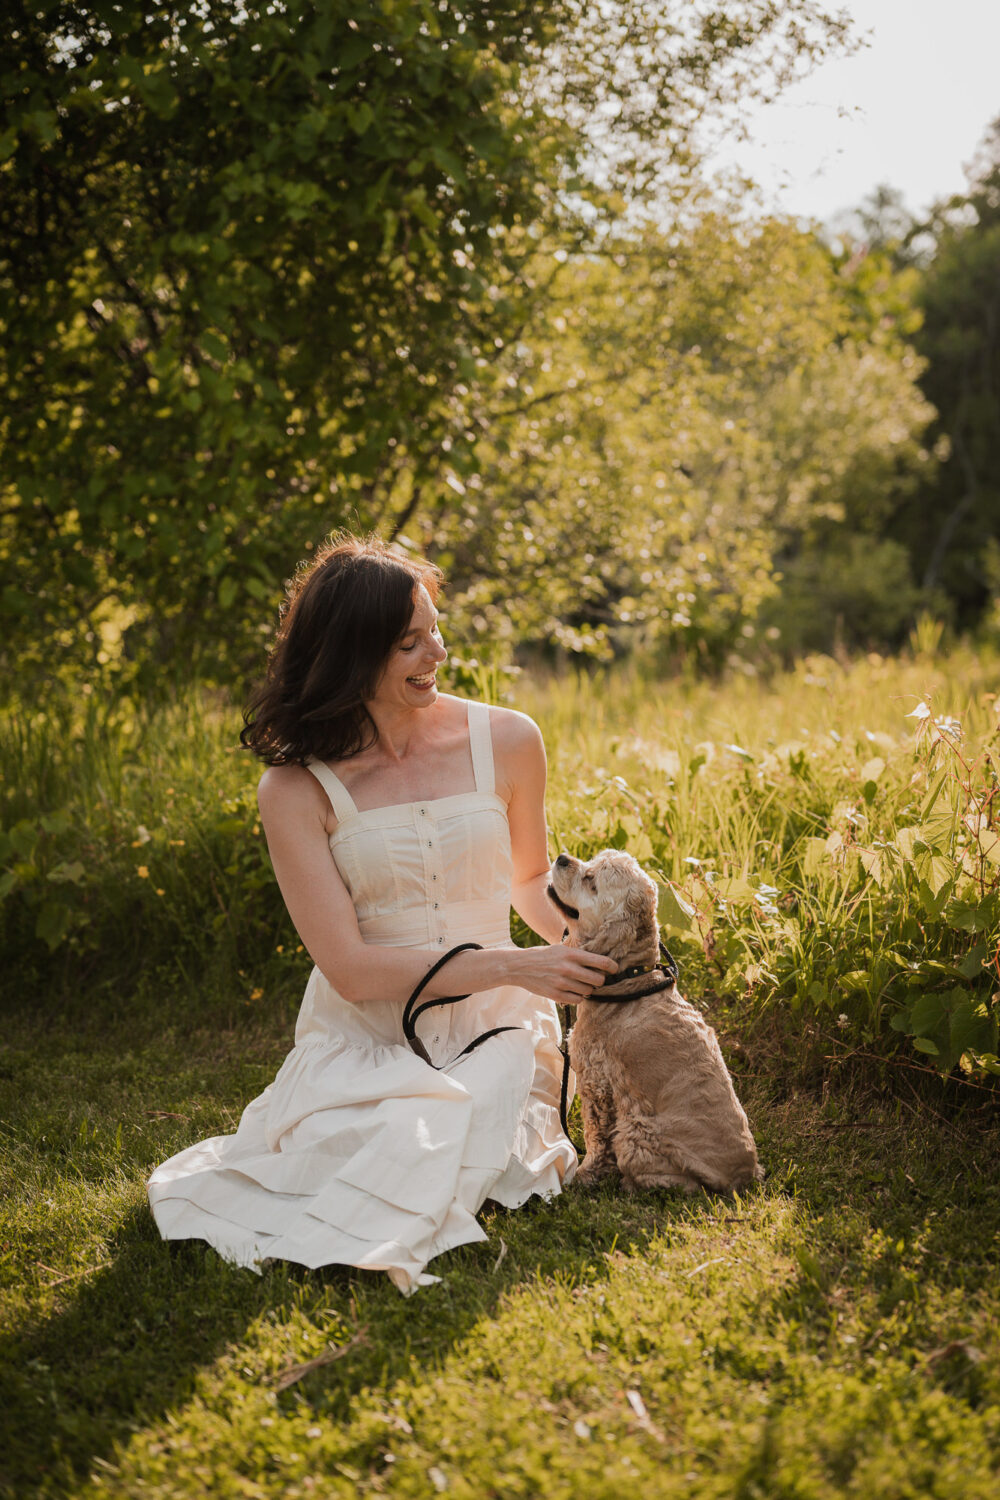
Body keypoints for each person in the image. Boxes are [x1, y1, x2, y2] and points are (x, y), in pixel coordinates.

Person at [147, 534, 617, 1292]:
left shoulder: (507, 739)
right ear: (351, 654)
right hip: (364, 1030)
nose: (437, 651)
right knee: (380, 1139)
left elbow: (529, 877)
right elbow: (351, 969)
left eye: (435, 627)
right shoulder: (295, 789)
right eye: (410, 642)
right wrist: (519, 965)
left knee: (445, 1130)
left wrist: (582, 951)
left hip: (496, 1022)